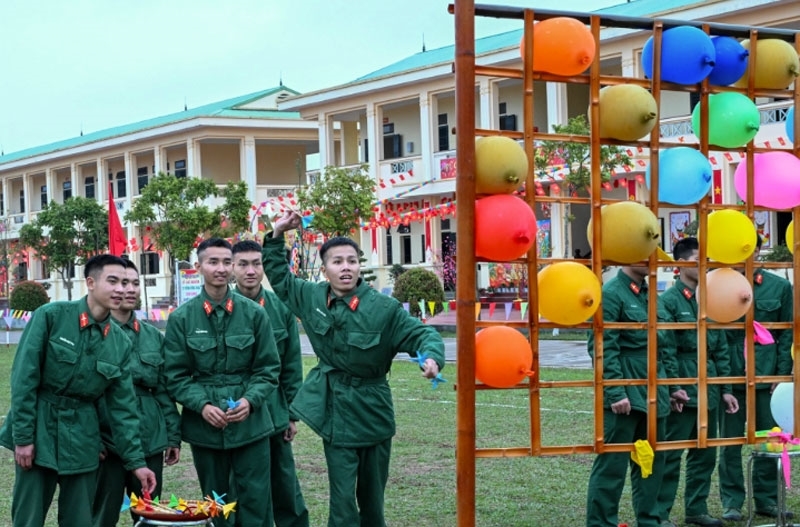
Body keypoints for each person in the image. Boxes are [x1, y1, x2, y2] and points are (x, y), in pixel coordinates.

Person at [263, 211, 445, 527]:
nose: (345, 267)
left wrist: (431, 358)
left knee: (372, 500)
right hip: (334, 410)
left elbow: (422, 334)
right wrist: (277, 234)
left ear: (359, 266)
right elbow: (280, 277)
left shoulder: (383, 308)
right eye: (337, 262)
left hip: (373, 409)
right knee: (342, 500)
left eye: (351, 261)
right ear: (325, 269)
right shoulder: (311, 297)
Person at [0, 254, 157, 527]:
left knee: (80, 520)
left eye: (125, 283)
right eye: (112, 281)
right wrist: (23, 438)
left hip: (83, 437)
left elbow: (123, 409)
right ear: (90, 283)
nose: (121, 289)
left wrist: (136, 462)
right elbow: (24, 379)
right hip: (40, 428)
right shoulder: (51, 316)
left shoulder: (119, 343)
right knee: (29, 517)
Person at [164, 237, 282, 527]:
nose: (220, 268)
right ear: (198, 267)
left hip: (251, 424)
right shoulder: (182, 318)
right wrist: (202, 406)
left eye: (227, 262)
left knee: (256, 500)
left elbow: (268, 368)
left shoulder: (254, 314)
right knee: (216, 503)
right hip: (205, 427)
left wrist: (249, 401)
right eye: (213, 262)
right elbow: (175, 376)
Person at [585, 264, 686, 527]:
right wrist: (615, 391)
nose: (648, 259)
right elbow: (603, 347)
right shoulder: (611, 293)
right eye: (641, 251)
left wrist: (672, 387)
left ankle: (649, 520)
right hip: (626, 392)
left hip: (655, 391)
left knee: (652, 462)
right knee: (612, 464)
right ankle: (601, 523)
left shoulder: (650, 295)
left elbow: (664, 346)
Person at [656, 238, 739, 527]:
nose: (703, 265)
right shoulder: (669, 301)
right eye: (696, 260)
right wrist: (674, 387)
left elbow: (721, 348)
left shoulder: (710, 298)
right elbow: (665, 348)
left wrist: (725, 389)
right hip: (684, 386)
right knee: (671, 454)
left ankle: (696, 508)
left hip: (710, 387)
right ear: (680, 264)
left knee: (705, 453)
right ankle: (660, 513)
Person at [92, 259, 182, 527]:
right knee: (101, 514)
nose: (129, 289)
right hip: (107, 439)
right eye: (122, 282)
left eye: (134, 283)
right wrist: (92, 438)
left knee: (149, 515)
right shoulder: (94, 333)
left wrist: (172, 436)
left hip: (148, 437)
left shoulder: (153, 336)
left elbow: (164, 390)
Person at [231, 240, 309, 527]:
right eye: (243, 264)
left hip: (274, 409)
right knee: (243, 484)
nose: (251, 271)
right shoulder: (225, 308)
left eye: (257, 263)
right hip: (238, 410)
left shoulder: (281, 308)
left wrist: (291, 415)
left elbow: (291, 365)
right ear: (232, 268)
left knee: (284, 481)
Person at [718, 235, 794, 521]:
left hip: (767, 377)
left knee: (770, 440)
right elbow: (714, 336)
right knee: (729, 443)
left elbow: (787, 332)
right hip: (731, 376)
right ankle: (732, 502)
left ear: (758, 250)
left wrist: (781, 373)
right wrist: (722, 381)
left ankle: (767, 500)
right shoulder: (718, 286)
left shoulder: (779, 286)